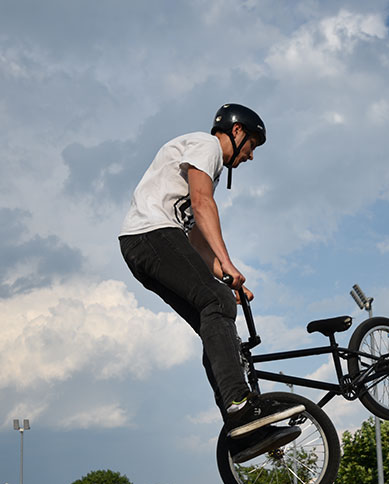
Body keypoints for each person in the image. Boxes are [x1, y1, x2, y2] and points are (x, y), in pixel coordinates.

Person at [119, 104, 304, 463]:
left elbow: (197, 241)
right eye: (252, 145)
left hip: (150, 245)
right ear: (236, 132)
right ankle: (239, 404)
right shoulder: (205, 146)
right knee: (217, 304)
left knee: (217, 323)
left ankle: (241, 434)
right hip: (150, 235)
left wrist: (225, 274)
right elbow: (202, 205)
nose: (251, 156)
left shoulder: (208, 167)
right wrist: (229, 269)